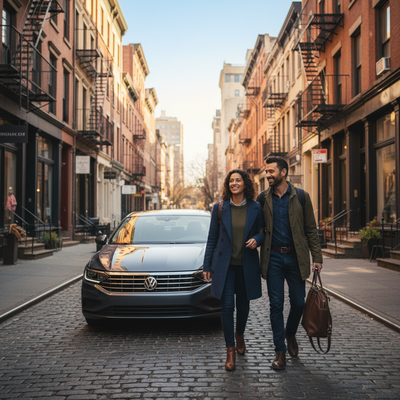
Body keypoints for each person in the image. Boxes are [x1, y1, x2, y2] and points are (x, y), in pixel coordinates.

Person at [257, 156, 322, 370]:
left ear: (283, 172)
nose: (268, 175)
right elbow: (255, 227)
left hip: (295, 258)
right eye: (267, 172)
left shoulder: (301, 196)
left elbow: (311, 229)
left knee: (299, 303)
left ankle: (290, 333)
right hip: (273, 257)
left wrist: (317, 258)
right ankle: (280, 351)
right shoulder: (262, 198)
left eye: (271, 171)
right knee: (276, 305)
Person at [203, 169, 265, 371]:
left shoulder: (256, 207)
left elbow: (263, 232)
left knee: (244, 307)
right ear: (228, 185)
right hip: (225, 266)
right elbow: (212, 239)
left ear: (245, 184)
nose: (234, 183)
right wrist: (207, 266)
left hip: (246, 265)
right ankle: (230, 350)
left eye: (238, 180)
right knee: (227, 306)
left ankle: (240, 334)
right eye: (231, 181)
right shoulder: (219, 208)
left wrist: (257, 239)